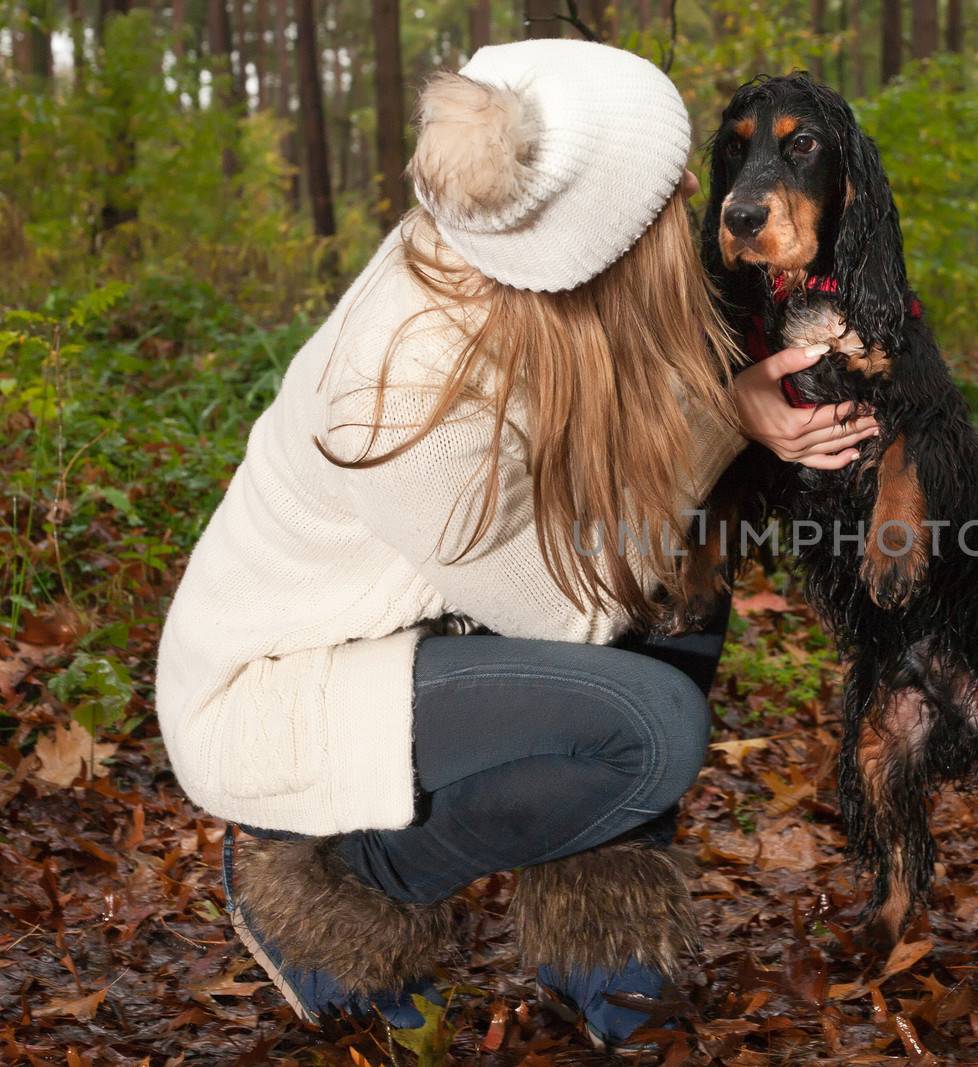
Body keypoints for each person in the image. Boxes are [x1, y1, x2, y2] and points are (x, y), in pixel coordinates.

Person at [155, 39, 878, 1049]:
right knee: (649, 727)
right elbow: (572, 612)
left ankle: (601, 937)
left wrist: (739, 408)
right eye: (663, 196)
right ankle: (340, 880)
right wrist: (726, 422)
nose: (688, 199)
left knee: (685, 569)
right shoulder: (403, 385)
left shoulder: (506, 263)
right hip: (279, 684)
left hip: (421, 626)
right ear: (602, 237)